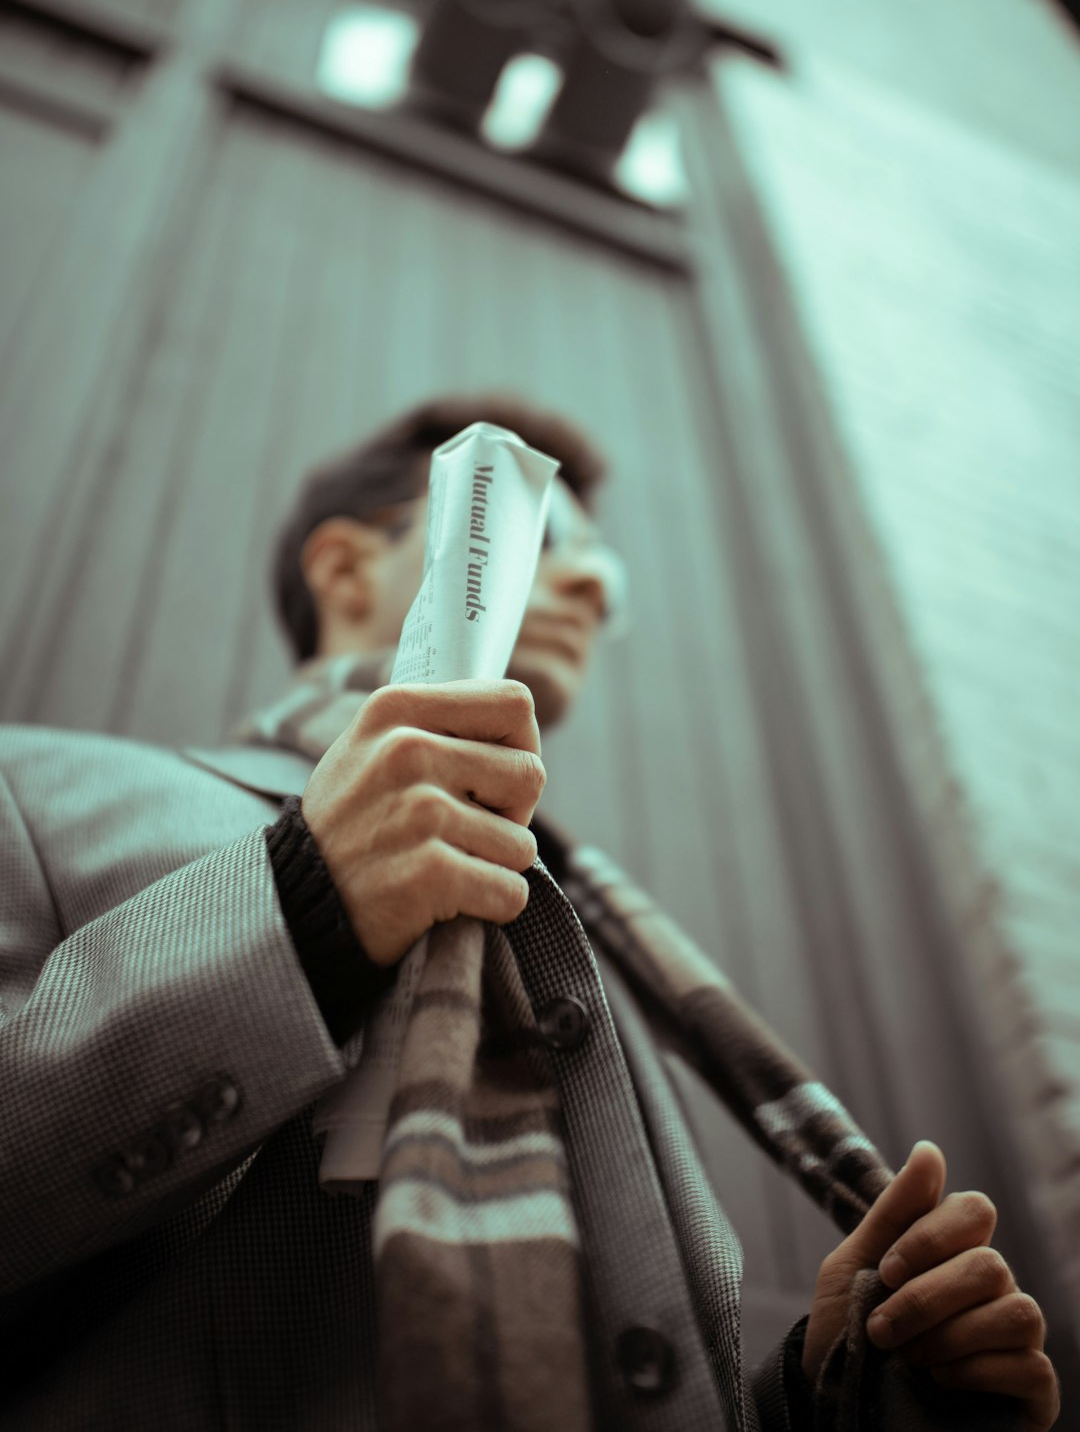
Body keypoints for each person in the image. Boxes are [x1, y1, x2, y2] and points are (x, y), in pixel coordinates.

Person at [0, 394, 1059, 1431]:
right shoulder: (36, 792)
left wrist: (828, 1392)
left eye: (614, 573)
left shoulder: (588, 955)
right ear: (342, 565)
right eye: (545, 532)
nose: (595, 582)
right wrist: (299, 912)